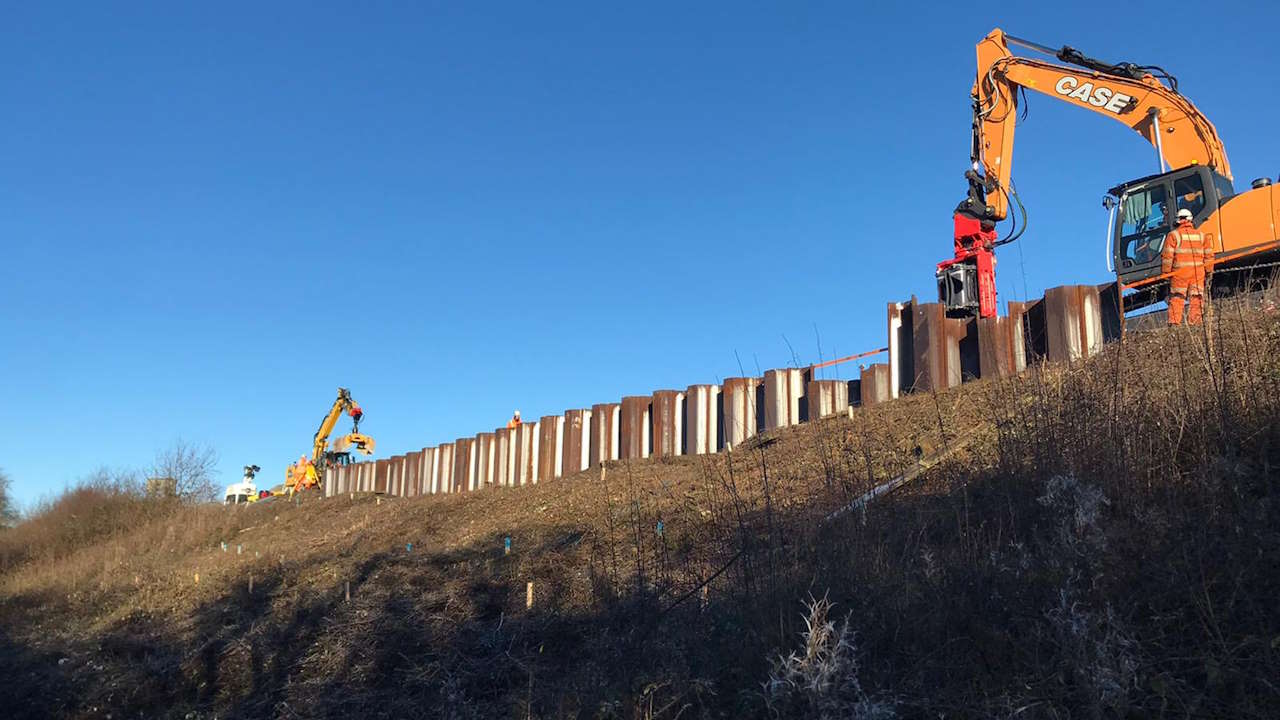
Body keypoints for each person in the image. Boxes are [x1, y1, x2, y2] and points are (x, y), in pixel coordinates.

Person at [1161, 208, 1213, 325]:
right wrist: (1209, 271)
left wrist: (1166, 274)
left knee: (1177, 297)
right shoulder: (1201, 235)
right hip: (1197, 273)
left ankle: (1174, 323)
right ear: (1191, 220)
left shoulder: (1173, 235)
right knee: (1196, 298)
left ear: (1178, 220)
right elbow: (1209, 256)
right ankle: (1195, 324)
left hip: (1180, 274)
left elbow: (1167, 257)